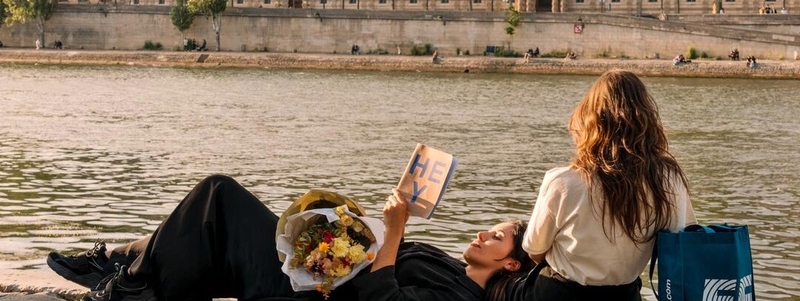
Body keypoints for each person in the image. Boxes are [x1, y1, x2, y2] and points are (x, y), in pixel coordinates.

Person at [46, 175, 534, 301]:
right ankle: (120, 265)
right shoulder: (452, 269)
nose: (483, 231)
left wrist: (397, 231)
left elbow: (384, 298)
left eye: (498, 235)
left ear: (512, 263)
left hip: (309, 290)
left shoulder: (461, 295)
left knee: (219, 197)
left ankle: (124, 276)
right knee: (213, 228)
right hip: (319, 273)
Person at [522, 70, 695, 300]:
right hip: (625, 295)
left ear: (589, 121)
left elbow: (534, 250)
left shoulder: (563, 182)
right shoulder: (670, 179)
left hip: (561, 293)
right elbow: (682, 241)